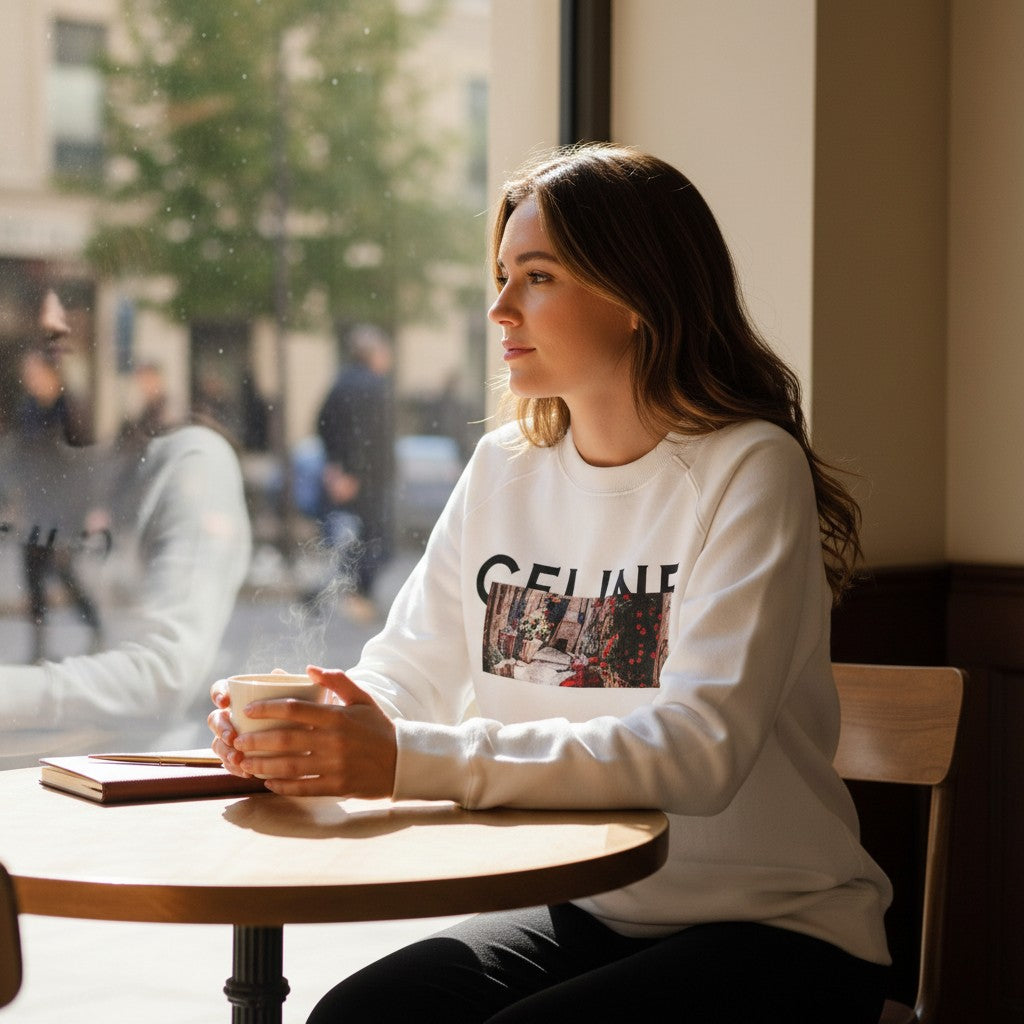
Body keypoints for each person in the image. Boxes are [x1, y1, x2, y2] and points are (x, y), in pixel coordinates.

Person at [208, 144, 891, 1023]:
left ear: (637, 293)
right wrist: (307, 726)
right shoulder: (503, 467)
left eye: (537, 277)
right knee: (361, 1016)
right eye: (502, 276)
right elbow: (405, 675)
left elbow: (698, 751)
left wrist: (405, 759)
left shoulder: (748, 468)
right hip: (594, 904)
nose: (499, 309)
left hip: (780, 929)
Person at [0, 284, 251, 768]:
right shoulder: (121, 437)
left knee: (63, 578)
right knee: (52, 579)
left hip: (153, 755)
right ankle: (54, 636)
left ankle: (73, 631)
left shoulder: (187, 456)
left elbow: (163, 675)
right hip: (44, 510)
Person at [314, 324, 396, 621]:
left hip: (354, 477)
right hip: (370, 479)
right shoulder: (372, 387)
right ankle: (360, 595)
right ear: (373, 354)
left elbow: (322, 424)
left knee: (356, 539)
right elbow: (368, 437)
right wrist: (353, 472)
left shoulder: (341, 383)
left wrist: (336, 466)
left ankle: (354, 594)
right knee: (379, 541)